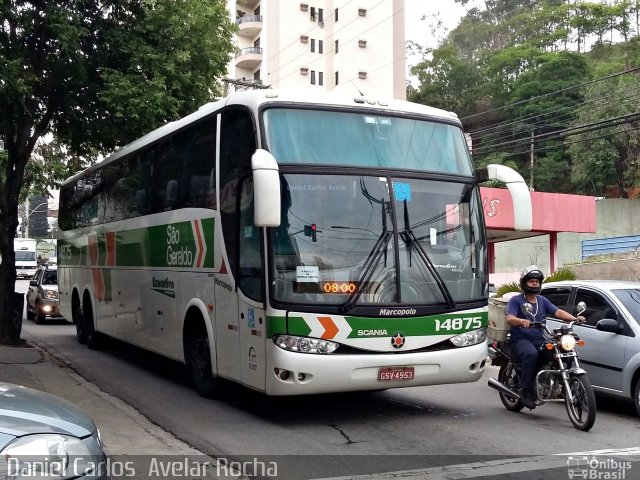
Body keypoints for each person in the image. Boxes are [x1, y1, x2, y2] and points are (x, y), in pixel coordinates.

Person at [505, 265, 585, 410]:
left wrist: (575, 318)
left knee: (561, 351)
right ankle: (526, 390)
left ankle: (559, 383)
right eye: (531, 281)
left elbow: (558, 312)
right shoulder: (516, 300)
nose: (535, 283)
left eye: (537, 281)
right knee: (531, 354)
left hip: (538, 338)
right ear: (524, 282)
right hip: (520, 339)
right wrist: (522, 321)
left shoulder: (542, 300)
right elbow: (510, 318)